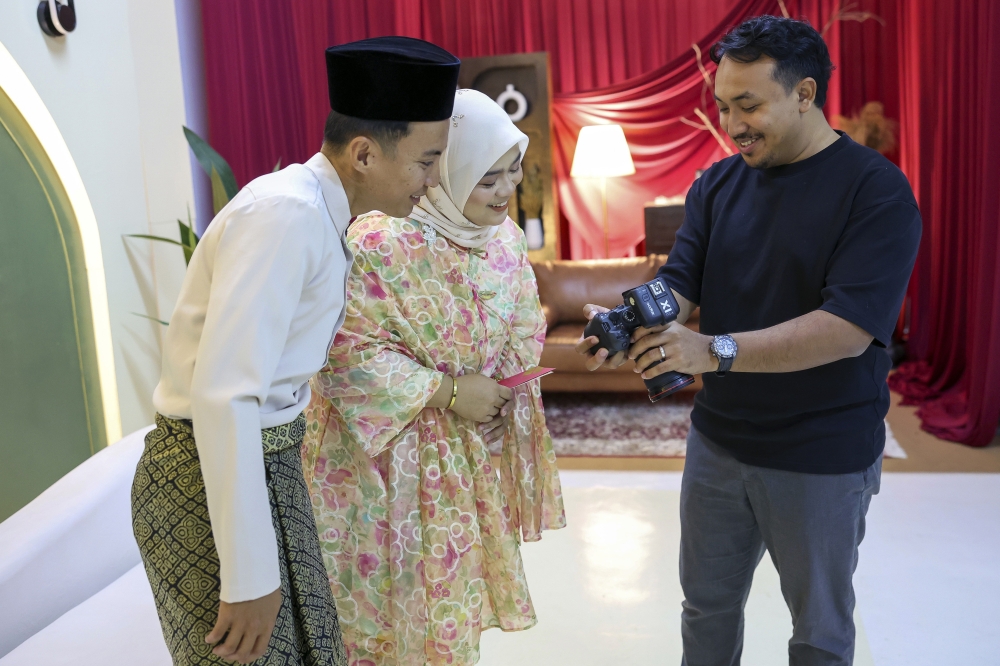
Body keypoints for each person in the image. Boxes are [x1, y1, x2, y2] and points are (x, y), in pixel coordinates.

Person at [577, 16, 920, 666]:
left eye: (749, 105)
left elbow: (847, 330)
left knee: (817, 632)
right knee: (706, 608)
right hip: (719, 443)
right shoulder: (717, 184)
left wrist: (713, 351)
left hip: (822, 453)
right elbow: (679, 281)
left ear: (805, 93)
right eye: (723, 106)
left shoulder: (875, 192)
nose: (733, 124)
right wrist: (627, 319)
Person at [131, 37, 461, 666]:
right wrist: (249, 576)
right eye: (426, 161)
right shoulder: (284, 214)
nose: (432, 180)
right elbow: (226, 394)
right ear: (365, 153)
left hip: (265, 470)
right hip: (206, 479)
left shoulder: (320, 212)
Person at [302, 89, 566, 666]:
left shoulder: (508, 243)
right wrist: (448, 392)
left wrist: (505, 392)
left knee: (447, 613)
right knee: (380, 615)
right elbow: (343, 353)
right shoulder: (378, 240)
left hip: (463, 460)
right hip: (380, 465)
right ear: (446, 172)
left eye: (513, 171)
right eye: (487, 177)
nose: (505, 190)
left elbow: (525, 324)